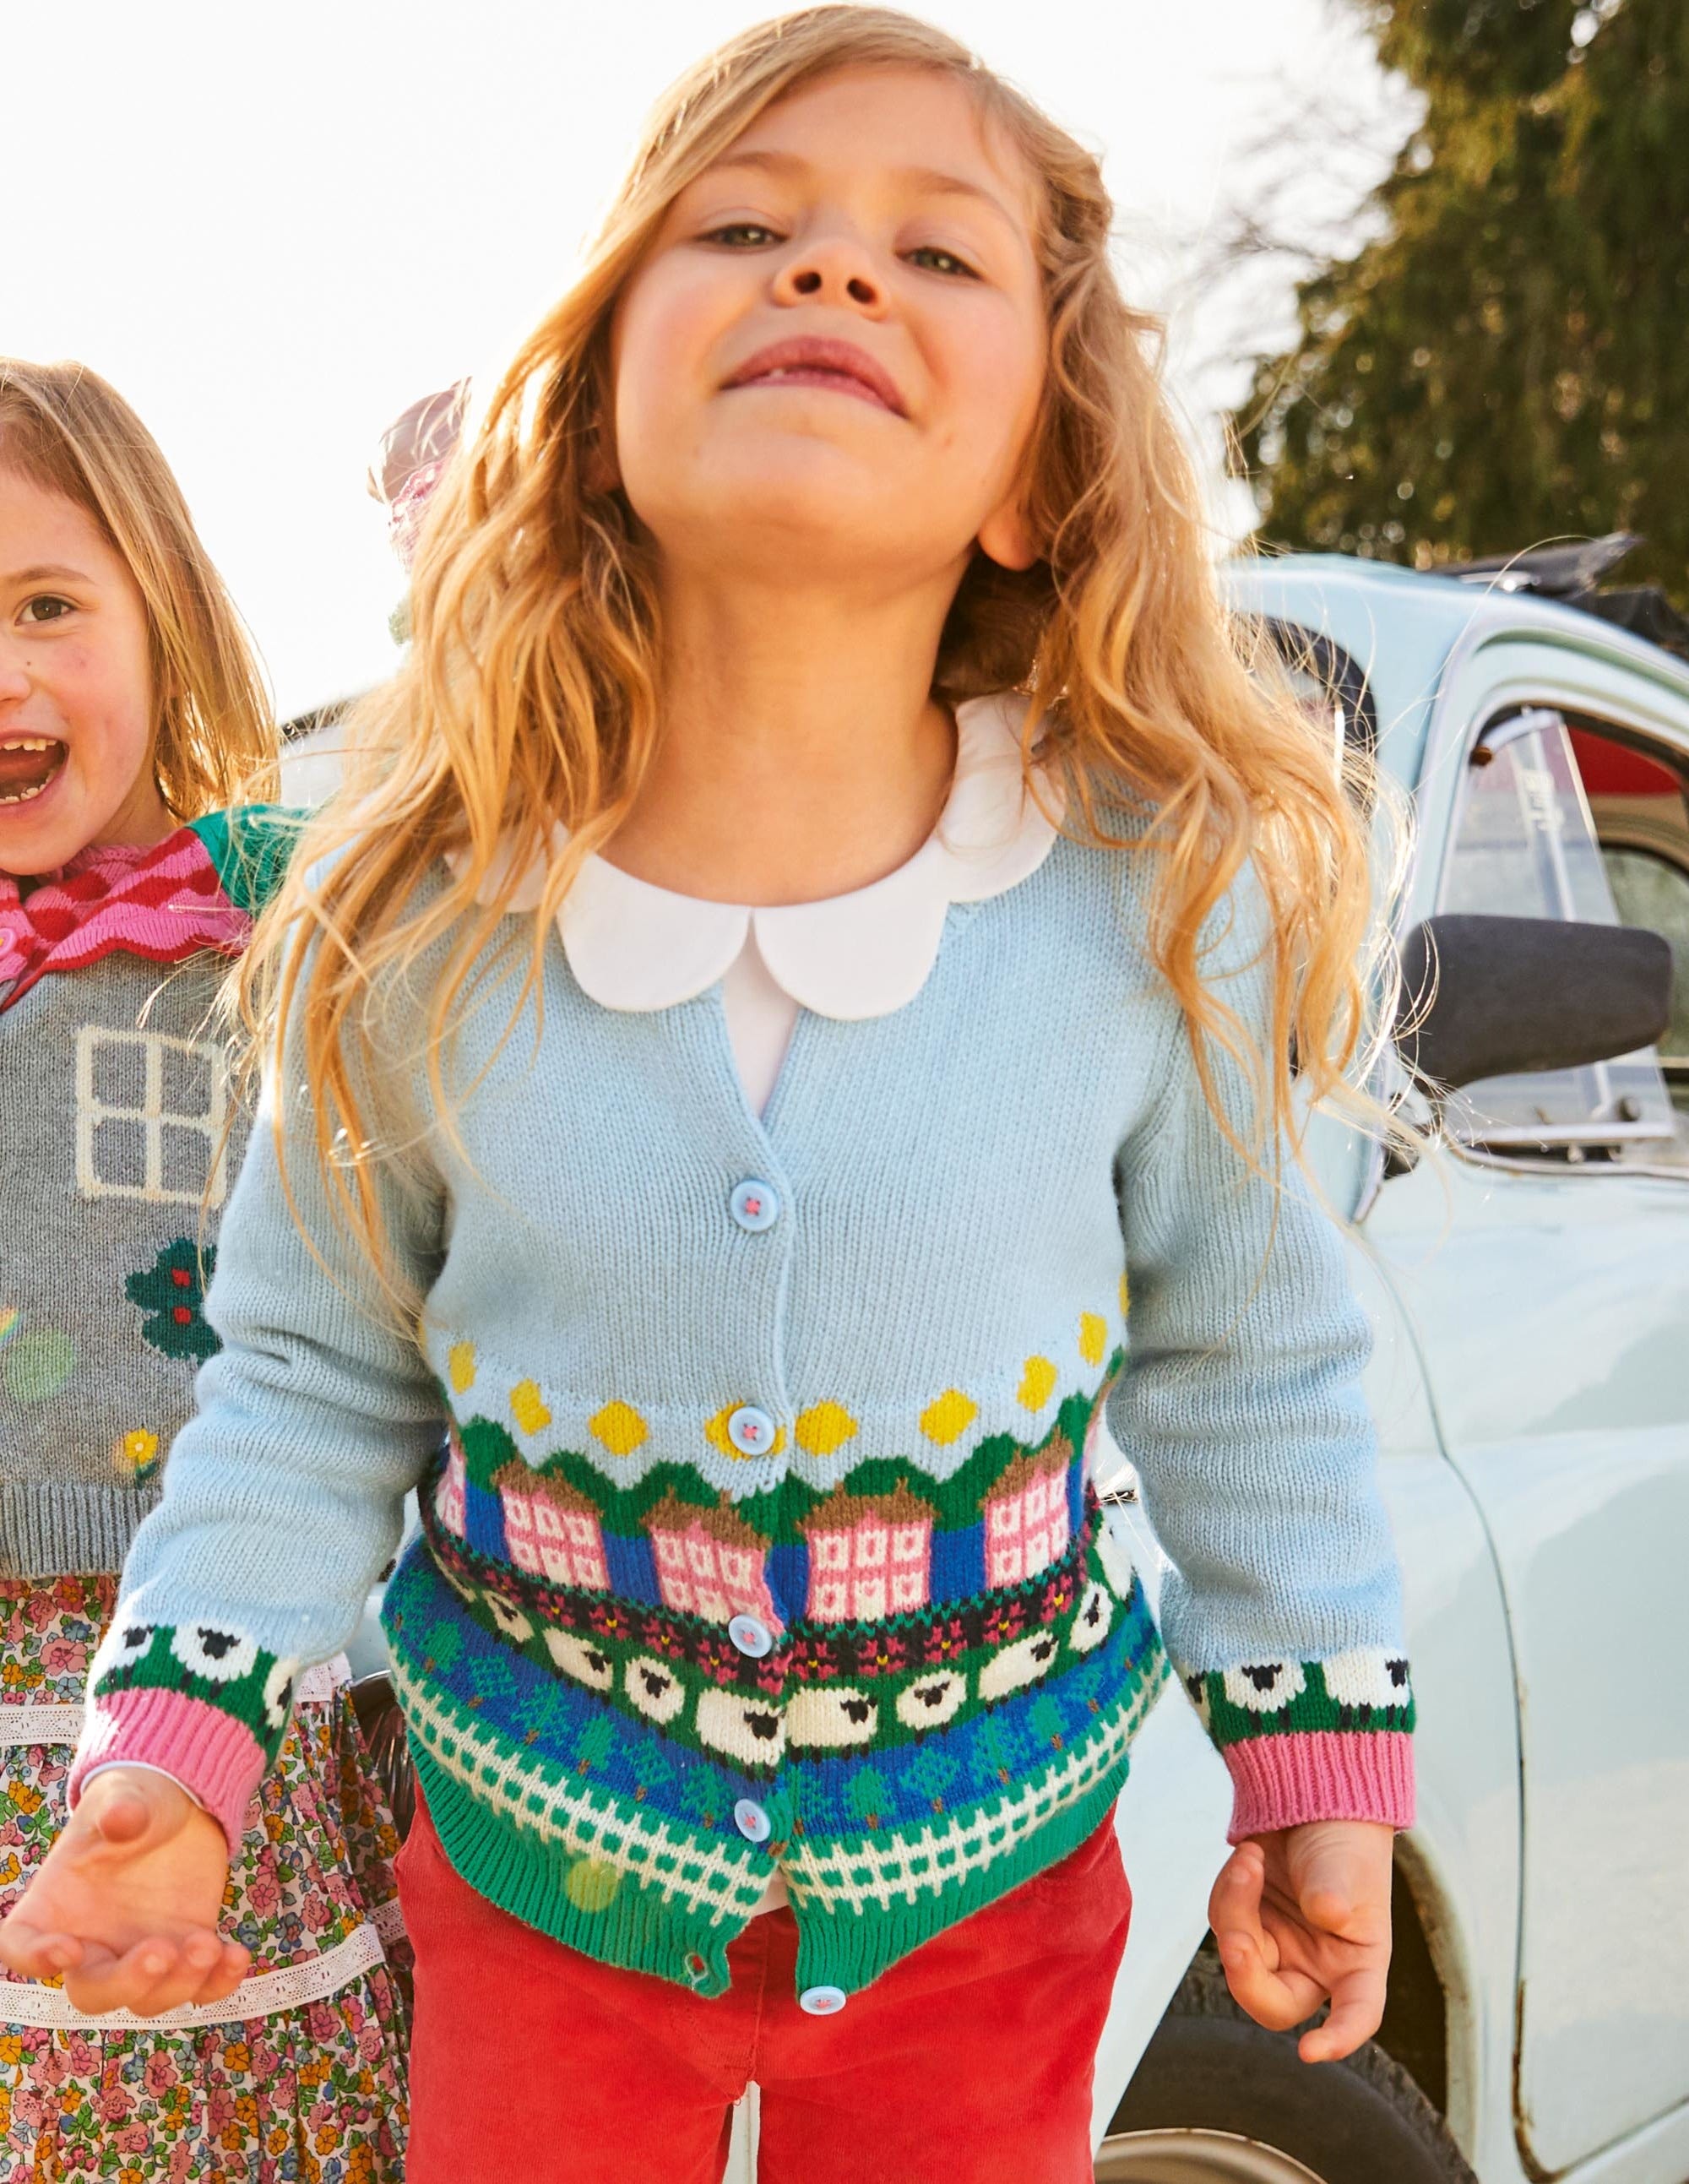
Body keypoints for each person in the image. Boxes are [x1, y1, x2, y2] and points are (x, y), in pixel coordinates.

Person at [2, 14, 1416, 2181]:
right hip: (532, 1883)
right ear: (588, 418)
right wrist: (173, 1756)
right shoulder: (418, 918)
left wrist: (1309, 1756)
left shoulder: (1147, 904)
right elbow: (303, 1378)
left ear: (1039, 471)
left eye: (933, 256)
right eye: (744, 227)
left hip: (991, 1891)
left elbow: (1250, 1353)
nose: (832, 274)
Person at [0, 359, 409, 2180]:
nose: (2, 668)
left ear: (166, 621)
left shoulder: (266, 924)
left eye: (48, 605)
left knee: (219, 2085)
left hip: (206, 1652)